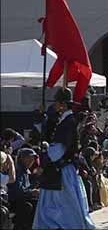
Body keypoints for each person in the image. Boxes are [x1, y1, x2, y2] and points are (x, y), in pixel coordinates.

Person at [33, 87, 95, 229]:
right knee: (60, 203)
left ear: (62, 104)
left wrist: (46, 157)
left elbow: (59, 149)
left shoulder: (68, 122)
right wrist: (41, 116)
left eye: (57, 102)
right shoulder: (63, 120)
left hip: (61, 169)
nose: (55, 105)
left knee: (62, 204)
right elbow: (45, 132)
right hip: (60, 168)